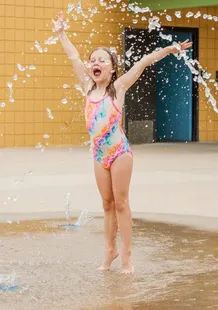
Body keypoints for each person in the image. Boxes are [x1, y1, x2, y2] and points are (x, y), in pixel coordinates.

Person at [52, 11, 192, 274]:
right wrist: (61, 33)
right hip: (98, 154)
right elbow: (72, 56)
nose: (95, 63)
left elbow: (145, 61)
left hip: (119, 153)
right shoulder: (87, 87)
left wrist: (171, 49)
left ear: (112, 67)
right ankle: (109, 250)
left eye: (102, 60)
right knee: (106, 204)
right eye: (92, 60)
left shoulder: (119, 87)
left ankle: (127, 256)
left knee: (121, 203)